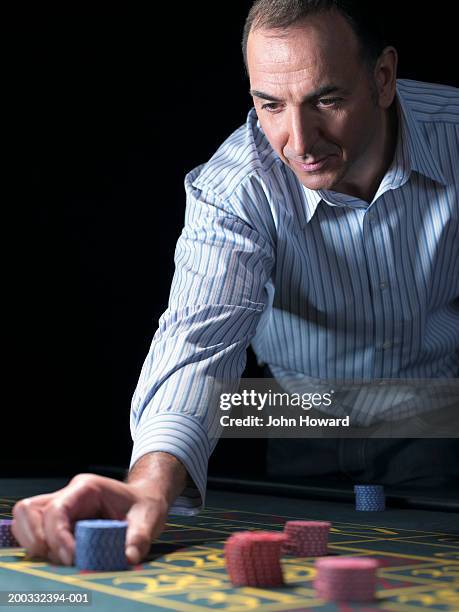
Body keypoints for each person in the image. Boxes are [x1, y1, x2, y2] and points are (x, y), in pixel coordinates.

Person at [12, 0, 458, 566]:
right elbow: (199, 339)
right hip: (295, 419)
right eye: (271, 105)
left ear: (383, 78)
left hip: (439, 422)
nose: (299, 140)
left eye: (328, 99)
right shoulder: (234, 187)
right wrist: (149, 485)